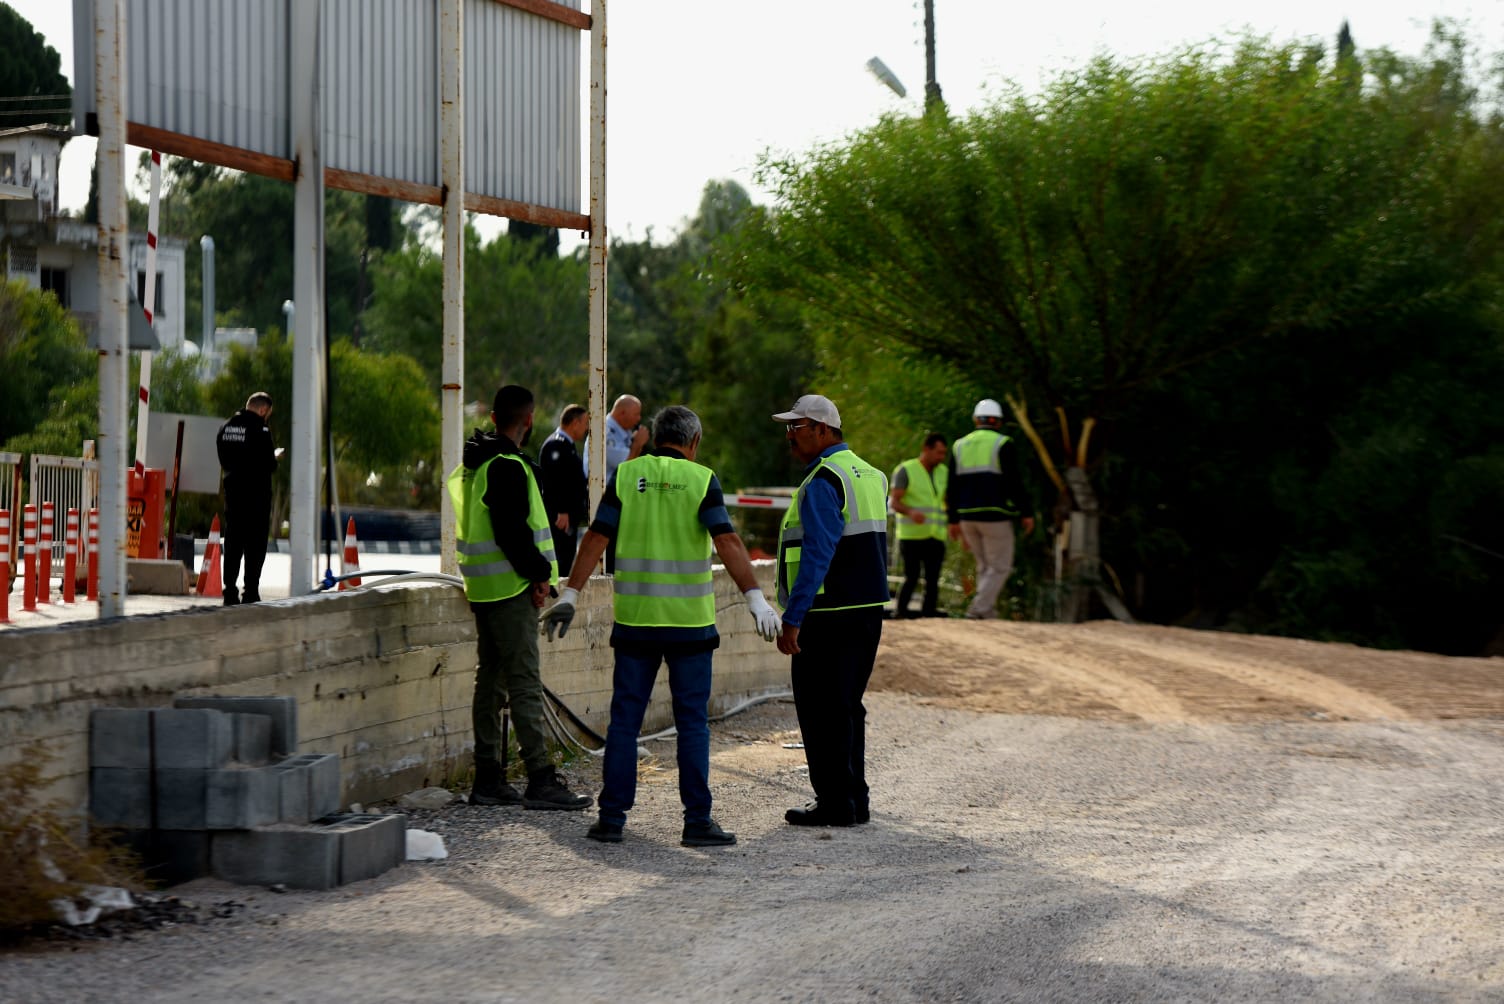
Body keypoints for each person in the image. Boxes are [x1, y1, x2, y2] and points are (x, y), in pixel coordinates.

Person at [543, 405, 783, 848]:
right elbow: (726, 540)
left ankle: (611, 819)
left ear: (654, 436)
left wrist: (572, 594)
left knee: (624, 722)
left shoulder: (627, 477)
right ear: (694, 442)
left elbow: (596, 536)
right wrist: (755, 598)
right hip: (690, 626)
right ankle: (697, 823)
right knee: (692, 723)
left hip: (636, 623)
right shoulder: (701, 479)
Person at [448, 384, 592, 811]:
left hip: (483, 588)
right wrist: (539, 576)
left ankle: (488, 778)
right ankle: (541, 779)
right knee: (525, 684)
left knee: (490, 683)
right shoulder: (508, 465)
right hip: (510, 588)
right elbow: (512, 532)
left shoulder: (475, 465)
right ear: (528, 421)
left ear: (494, 418)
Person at [772, 394, 889, 827]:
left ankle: (836, 802)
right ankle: (854, 798)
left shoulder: (824, 479)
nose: (790, 437)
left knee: (820, 706)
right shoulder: (871, 475)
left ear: (823, 430)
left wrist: (794, 616)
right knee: (846, 704)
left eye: (796, 428)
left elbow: (818, 553)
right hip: (867, 608)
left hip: (828, 610)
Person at [948, 398, 1035, 620]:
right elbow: (1014, 482)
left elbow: (952, 486)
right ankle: (978, 608)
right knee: (1000, 567)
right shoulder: (1003, 443)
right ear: (998, 422)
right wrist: (1026, 512)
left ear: (976, 420)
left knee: (985, 565)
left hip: (966, 516)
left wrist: (953, 519)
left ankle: (986, 611)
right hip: (994, 516)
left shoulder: (959, 445)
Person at [215, 391, 278, 605]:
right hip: (257, 499)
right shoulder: (261, 429)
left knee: (232, 543)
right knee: (255, 546)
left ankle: (229, 590)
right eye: (268, 413)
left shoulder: (225, 427)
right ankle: (250, 591)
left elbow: (224, 459)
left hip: (233, 496)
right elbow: (269, 464)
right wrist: (274, 457)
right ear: (262, 410)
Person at [890, 433, 950, 618]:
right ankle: (901, 611)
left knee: (933, 577)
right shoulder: (906, 470)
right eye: (938, 453)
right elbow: (895, 502)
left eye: (943, 453)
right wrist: (911, 512)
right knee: (912, 576)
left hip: (936, 534)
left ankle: (929, 611)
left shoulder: (944, 472)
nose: (941, 457)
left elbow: (946, 500)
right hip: (911, 535)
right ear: (926, 449)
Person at [538, 403, 590, 575]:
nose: (586, 428)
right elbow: (553, 480)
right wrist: (561, 510)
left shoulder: (566, 445)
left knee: (566, 560)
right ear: (575, 423)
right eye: (585, 423)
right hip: (561, 519)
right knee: (560, 562)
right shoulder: (556, 444)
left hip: (568, 517)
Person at [583, 393, 650, 486]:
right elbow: (626, 467)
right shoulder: (604, 433)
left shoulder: (624, 430)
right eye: (636, 414)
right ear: (622, 413)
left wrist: (636, 444)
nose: (639, 418)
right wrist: (637, 444)